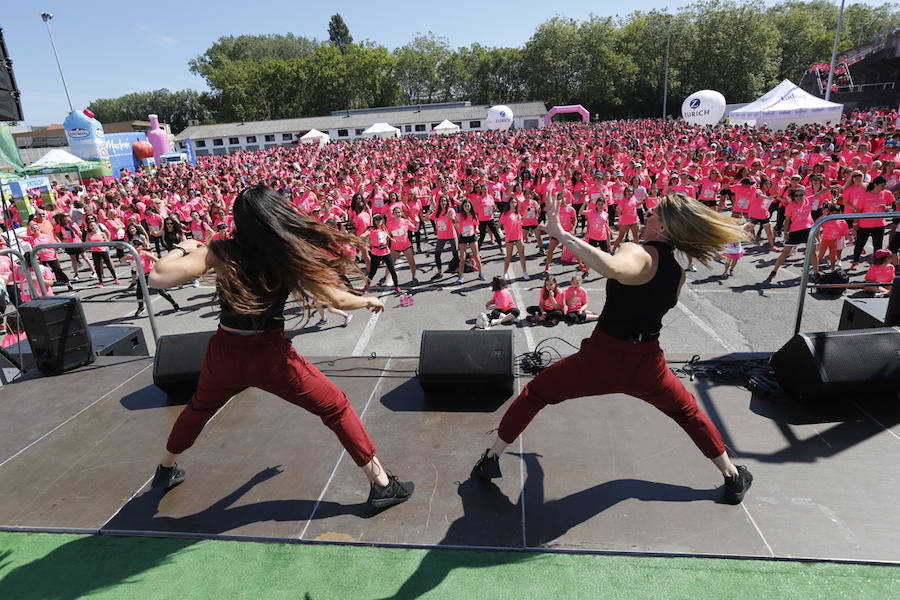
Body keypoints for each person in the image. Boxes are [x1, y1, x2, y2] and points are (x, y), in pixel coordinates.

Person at [473, 192, 754, 506]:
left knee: (535, 394)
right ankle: (731, 475)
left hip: (602, 358)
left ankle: (491, 459)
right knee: (687, 412)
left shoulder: (638, 252)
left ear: (666, 227)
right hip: (647, 364)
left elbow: (613, 268)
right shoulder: (679, 274)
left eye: (654, 213)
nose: (647, 214)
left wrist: (563, 235)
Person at [147, 184, 413, 510]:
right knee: (336, 406)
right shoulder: (287, 253)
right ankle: (382, 485)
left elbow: (157, 276)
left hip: (224, 351)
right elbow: (335, 299)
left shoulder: (222, 248)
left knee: (198, 409)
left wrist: (185, 248)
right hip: (269, 356)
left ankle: (165, 469)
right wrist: (366, 300)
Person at [130, 238, 179, 316]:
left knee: (161, 291)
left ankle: (174, 303)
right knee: (139, 292)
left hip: (150, 274)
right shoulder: (133, 256)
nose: (136, 247)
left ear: (142, 246)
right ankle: (141, 307)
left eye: (138, 245)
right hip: (141, 276)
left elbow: (156, 260)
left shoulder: (145, 254)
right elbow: (122, 260)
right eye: (134, 245)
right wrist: (125, 257)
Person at [360, 214, 401, 294]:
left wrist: (392, 239)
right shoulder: (371, 229)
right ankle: (366, 286)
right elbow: (365, 234)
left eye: (379, 219)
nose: (378, 221)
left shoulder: (384, 228)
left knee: (392, 270)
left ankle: (396, 286)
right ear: (374, 221)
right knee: (372, 272)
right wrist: (361, 236)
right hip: (376, 253)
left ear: (382, 220)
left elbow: (387, 236)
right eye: (376, 220)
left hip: (386, 252)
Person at [499, 196, 528, 280]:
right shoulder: (505, 214)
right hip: (509, 238)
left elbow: (521, 221)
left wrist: (525, 213)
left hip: (519, 237)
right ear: (509, 203)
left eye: (515, 202)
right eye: (512, 202)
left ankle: (525, 272)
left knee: (522, 255)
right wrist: (501, 233)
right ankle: (505, 273)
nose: (514, 204)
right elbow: (499, 226)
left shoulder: (517, 213)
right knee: (509, 256)